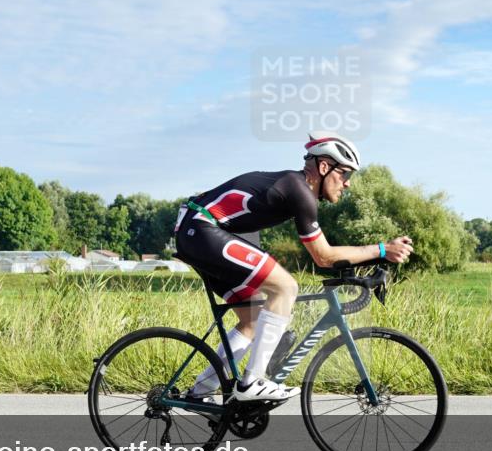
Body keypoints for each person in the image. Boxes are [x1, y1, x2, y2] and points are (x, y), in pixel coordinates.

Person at [173, 131, 413, 402]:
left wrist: (375, 258)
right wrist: (381, 250)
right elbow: (323, 257)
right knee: (286, 288)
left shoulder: (295, 187)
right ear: (324, 167)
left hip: (196, 230)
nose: (347, 184)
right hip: (202, 228)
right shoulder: (298, 190)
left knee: (252, 320)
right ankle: (251, 383)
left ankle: (200, 392)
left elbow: (326, 256)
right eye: (345, 174)